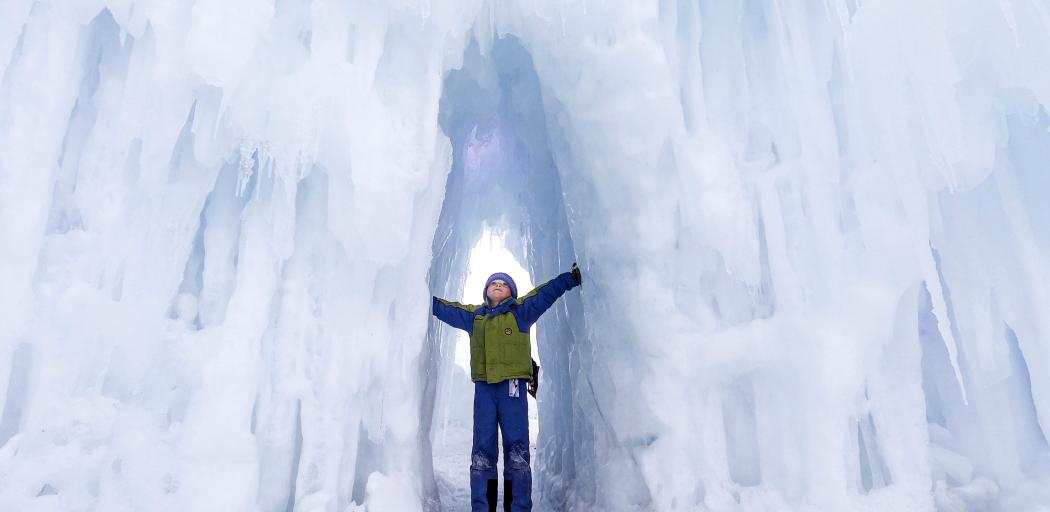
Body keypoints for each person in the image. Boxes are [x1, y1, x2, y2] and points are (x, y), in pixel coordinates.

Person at [432, 263, 582, 512]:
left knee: (517, 452)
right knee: (482, 453)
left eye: (503, 284)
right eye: (493, 283)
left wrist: (570, 278)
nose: (498, 286)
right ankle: (483, 507)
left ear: (511, 292)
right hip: (485, 391)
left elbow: (545, 293)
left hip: (513, 390)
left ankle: (519, 507)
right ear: (486, 291)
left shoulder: (520, 312)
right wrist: (423, 296)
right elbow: (448, 310)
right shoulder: (475, 317)